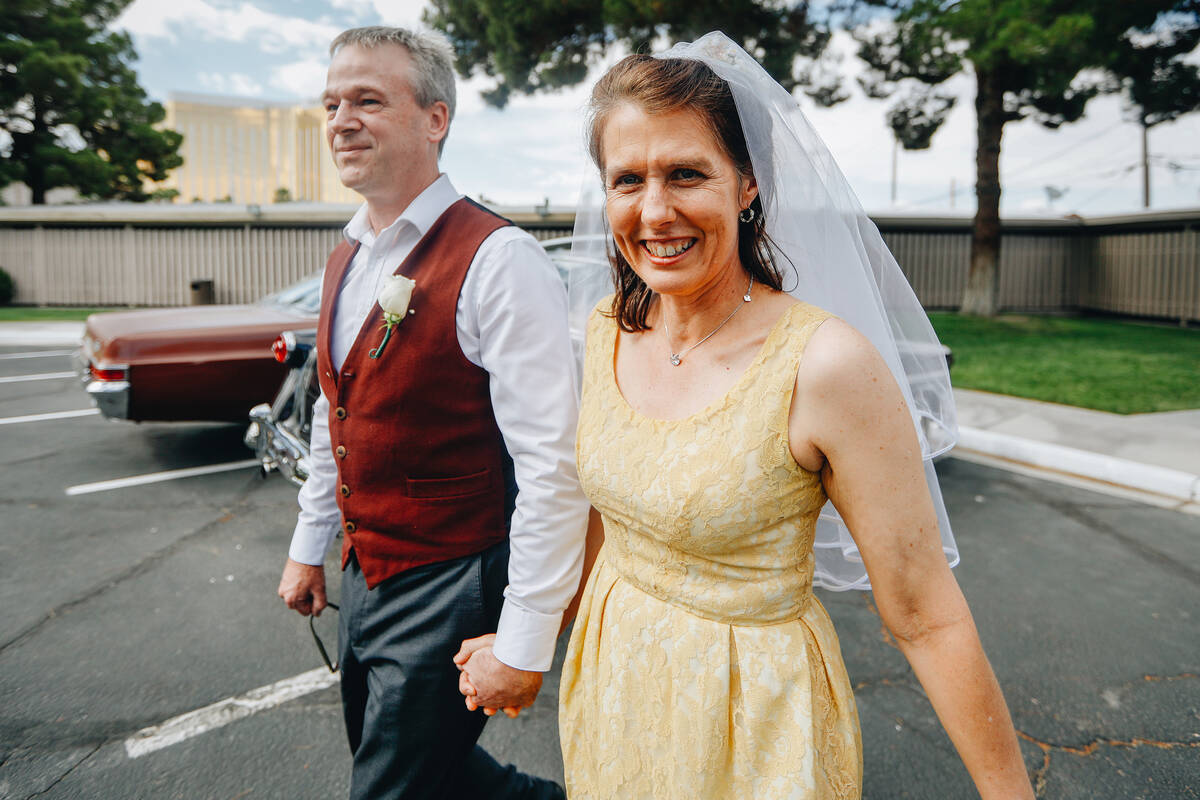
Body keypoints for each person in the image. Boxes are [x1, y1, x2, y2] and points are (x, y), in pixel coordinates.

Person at [546, 33, 1034, 799]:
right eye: (627, 179)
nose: (654, 210)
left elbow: (926, 614)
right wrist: (532, 640)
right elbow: (603, 517)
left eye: (685, 174)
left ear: (748, 184)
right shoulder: (608, 326)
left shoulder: (825, 366)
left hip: (751, 723)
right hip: (612, 689)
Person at [275, 26, 588, 800]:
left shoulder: (499, 259)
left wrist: (525, 636)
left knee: (389, 789)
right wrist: (309, 545)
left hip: (454, 579)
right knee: (419, 767)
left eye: (368, 100)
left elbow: (555, 465)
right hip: (367, 573)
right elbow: (335, 414)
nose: (341, 119)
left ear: (436, 118)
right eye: (331, 103)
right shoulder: (348, 255)